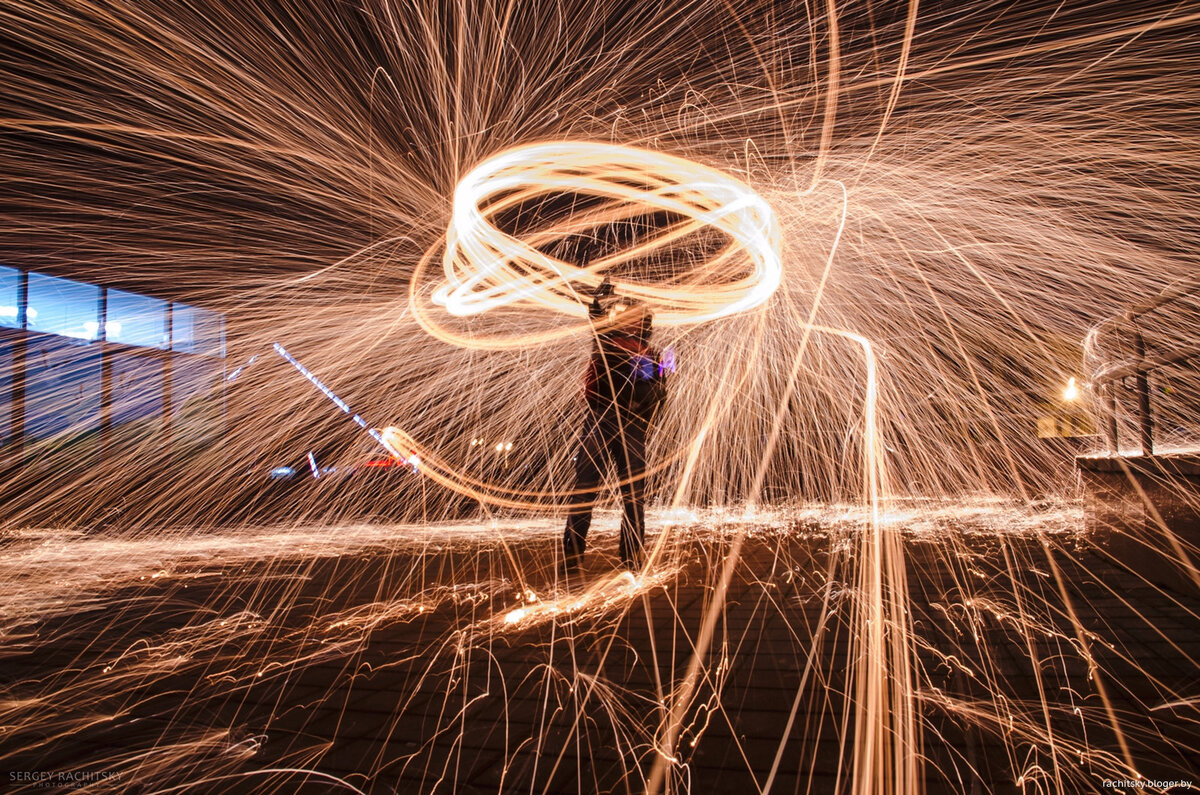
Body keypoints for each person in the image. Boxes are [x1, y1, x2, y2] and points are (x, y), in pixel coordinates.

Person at [563, 277, 671, 572]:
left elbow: (660, 392)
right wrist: (597, 303)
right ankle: (572, 553)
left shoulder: (652, 354)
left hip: (632, 425)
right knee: (586, 488)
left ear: (644, 324)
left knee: (633, 494)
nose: (630, 321)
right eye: (626, 316)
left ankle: (632, 554)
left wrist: (649, 414)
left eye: (637, 318)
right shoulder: (607, 342)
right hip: (601, 419)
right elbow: (597, 322)